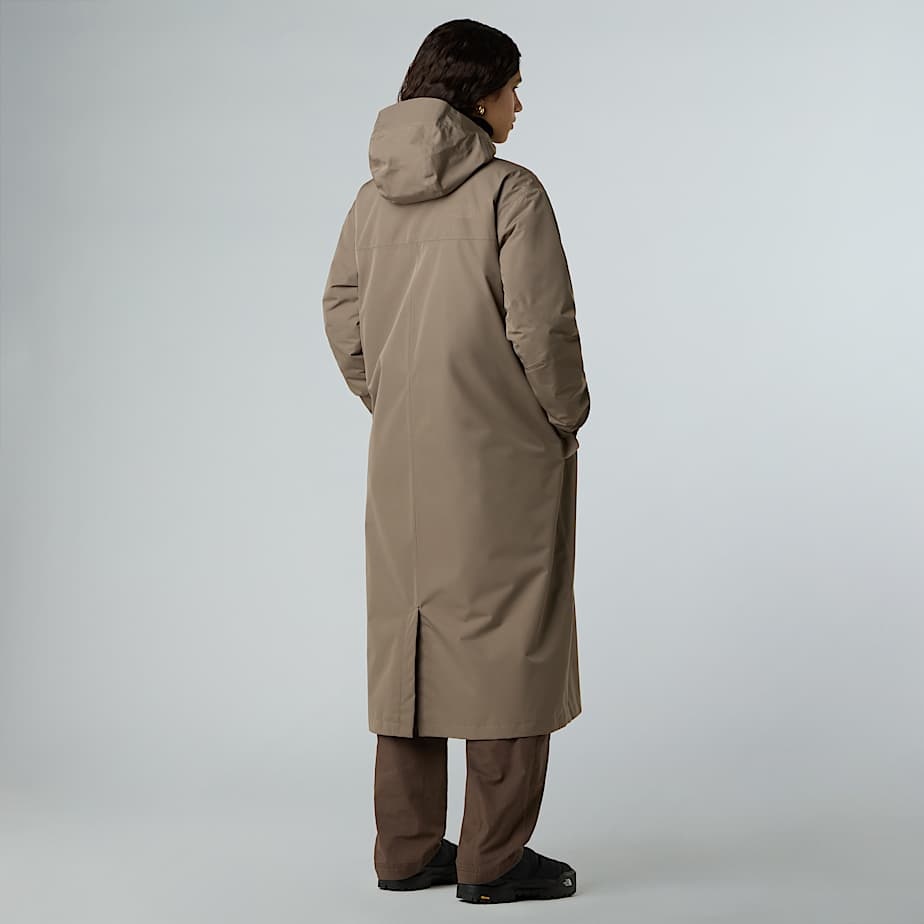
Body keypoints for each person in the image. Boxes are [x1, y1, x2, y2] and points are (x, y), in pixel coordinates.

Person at [321, 18, 590, 904]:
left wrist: (392, 399)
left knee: (411, 639)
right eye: (513, 87)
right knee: (510, 640)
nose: (520, 105)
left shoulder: (372, 200)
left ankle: (405, 849)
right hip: (501, 454)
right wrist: (564, 417)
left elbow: (342, 313)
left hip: (400, 458)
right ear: (478, 94)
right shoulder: (511, 192)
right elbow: (542, 327)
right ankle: (494, 859)